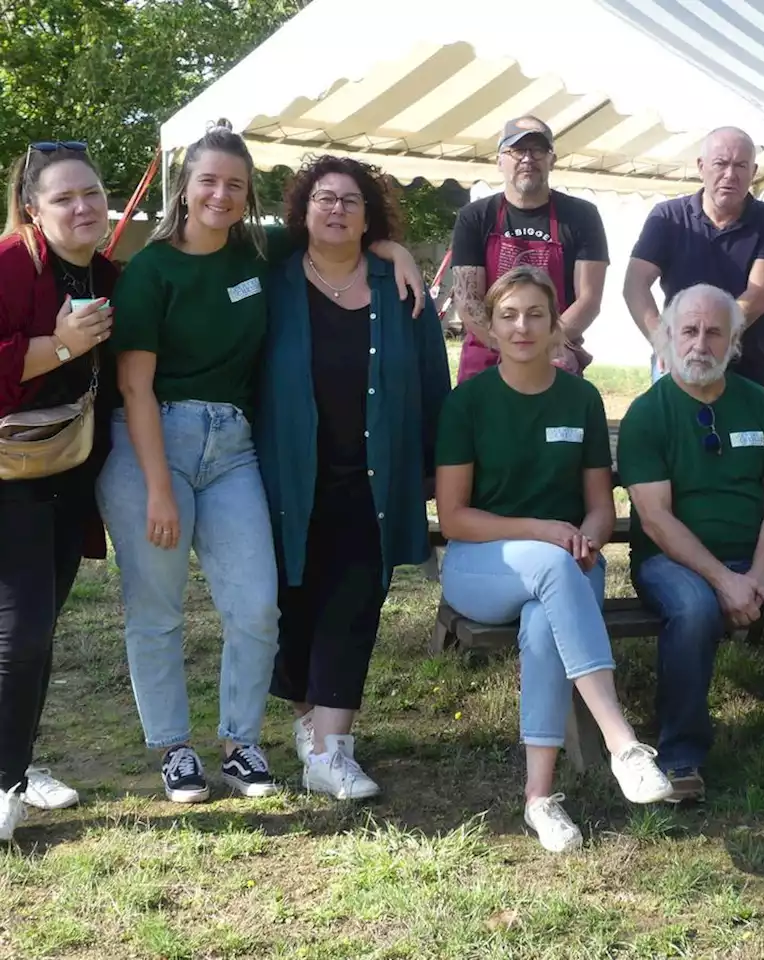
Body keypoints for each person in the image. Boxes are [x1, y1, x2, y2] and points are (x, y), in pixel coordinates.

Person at [98, 126, 424, 805]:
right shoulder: (152, 270)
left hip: (232, 446)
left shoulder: (257, 250)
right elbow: (133, 386)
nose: (220, 194)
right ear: (184, 188)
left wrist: (395, 249)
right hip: (153, 438)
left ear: (249, 200)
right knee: (155, 609)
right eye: (208, 181)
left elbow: (341, 235)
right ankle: (175, 749)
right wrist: (158, 487)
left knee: (255, 604)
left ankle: (240, 742)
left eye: (235, 185)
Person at [436, 266, 671, 853]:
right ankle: (622, 743)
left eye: (535, 315)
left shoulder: (581, 398)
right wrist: (542, 531)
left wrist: (589, 537)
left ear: (554, 326)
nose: (522, 327)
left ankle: (539, 799)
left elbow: (598, 506)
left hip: (570, 567)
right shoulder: (468, 402)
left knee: (546, 620)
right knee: (549, 567)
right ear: (490, 326)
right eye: (509, 315)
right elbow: (454, 516)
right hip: (479, 565)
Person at [255, 156, 452, 799]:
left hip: (376, 478)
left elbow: (431, 382)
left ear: (370, 218)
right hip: (288, 478)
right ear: (302, 212)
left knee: (355, 600)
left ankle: (330, 748)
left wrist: (431, 468)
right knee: (293, 603)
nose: (336, 209)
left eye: (350, 201)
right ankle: (312, 723)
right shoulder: (273, 281)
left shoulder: (400, 289)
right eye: (323, 199)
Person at [620, 283, 764, 804]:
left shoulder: (759, 405)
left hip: (759, 557)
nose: (700, 343)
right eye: (689, 330)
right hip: (671, 561)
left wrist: (760, 579)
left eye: (713, 332)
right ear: (667, 337)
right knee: (695, 608)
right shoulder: (647, 414)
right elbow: (656, 520)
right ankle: (681, 756)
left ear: (734, 343)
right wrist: (725, 580)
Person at [0, 142, 117, 839]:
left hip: (71, 475)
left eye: (92, 194)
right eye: (64, 198)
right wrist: (63, 344)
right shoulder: (12, 265)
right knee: (21, 631)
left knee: (35, 633)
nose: (83, 207)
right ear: (32, 209)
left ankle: (16, 761)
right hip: (9, 475)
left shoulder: (107, 270)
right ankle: (7, 781)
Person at [624, 127, 764, 387]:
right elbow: (635, 284)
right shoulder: (667, 218)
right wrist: (663, 341)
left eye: (740, 165)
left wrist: (711, 346)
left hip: (744, 364)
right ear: (701, 167)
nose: (730, 174)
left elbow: (758, 296)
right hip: (677, 362)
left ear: (753, 172)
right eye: (721, 164)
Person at [449, 116, 608, 382]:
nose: (527, 158)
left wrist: (541, 346)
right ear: (500, 161)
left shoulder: (582, 216)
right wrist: (511, 348)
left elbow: (589, 300)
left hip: (554, 353)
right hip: (487, 356)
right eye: (517, 150)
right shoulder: (474, 217)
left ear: (551, 160)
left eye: (537, 150)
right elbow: (468, 301)